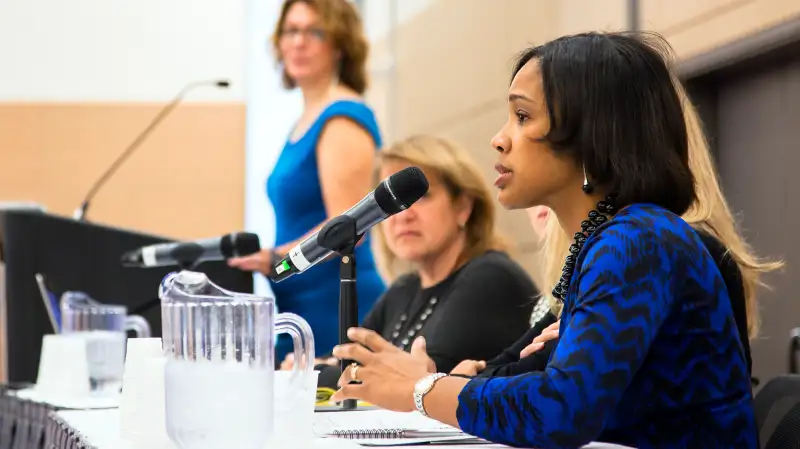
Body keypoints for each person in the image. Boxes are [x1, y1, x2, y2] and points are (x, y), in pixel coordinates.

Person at [329, 32, 758, 448]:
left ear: (591, 134)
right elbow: (525, 380)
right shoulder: (615, 241)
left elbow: (559, 411)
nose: (499, 140)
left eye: (522, 117)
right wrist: (446, 385)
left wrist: (421, 389)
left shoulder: (637, 241)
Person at [453, 82, 783, 380]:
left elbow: (556, 400)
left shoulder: (647, 248)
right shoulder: (601, 252)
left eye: (524, 117)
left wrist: (429, 389)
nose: (500, 140)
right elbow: (513, 370)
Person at [227, 0, 386, 359]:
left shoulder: (342, 118)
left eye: (314, 32)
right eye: (291, 31)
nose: (298, 42)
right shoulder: (304, 120)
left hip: (335, 304)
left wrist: (277, 258)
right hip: (297, 300)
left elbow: (349, 227)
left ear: (340, 45)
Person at [311, 135, 538, 384]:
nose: (402, 215)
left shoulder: (491, 278)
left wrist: (310, 374)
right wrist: (319, 367)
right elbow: (344, 359)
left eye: (421, 197)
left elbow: (414, 382)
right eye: (389, 204)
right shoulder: (403, 289)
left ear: (463, 207)